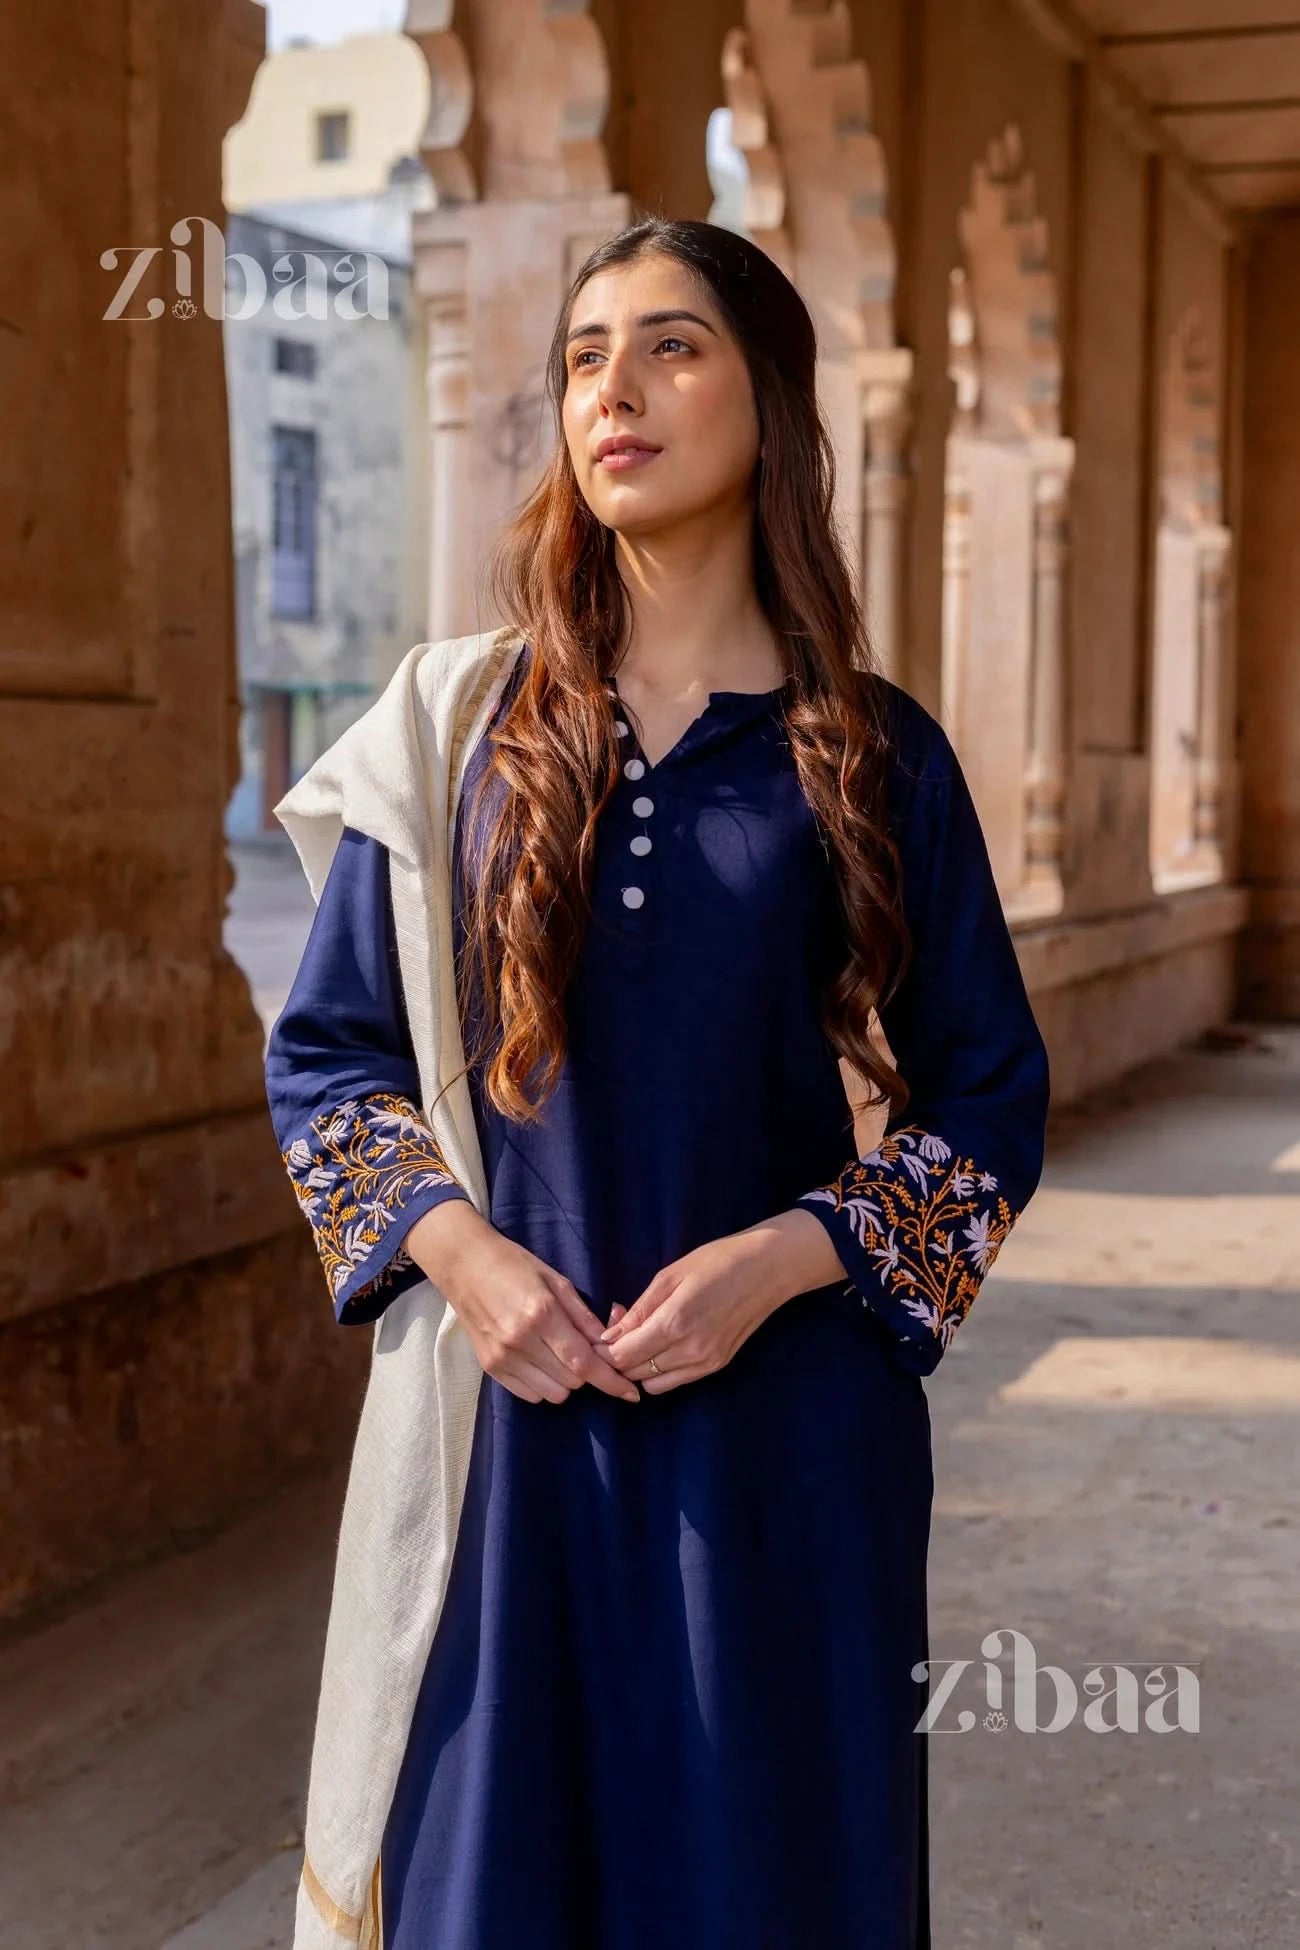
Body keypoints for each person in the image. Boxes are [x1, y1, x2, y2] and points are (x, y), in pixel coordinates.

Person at [265, 216, 1051, 1950]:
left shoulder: (874, 753)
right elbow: (329, 1061)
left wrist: (782, 1258)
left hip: (786, 1451)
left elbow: (988, 1099)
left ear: (770, 404)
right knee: (487, 1890)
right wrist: (470, 1264)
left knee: (765, 1891)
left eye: (672, 347)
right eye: (583, 358)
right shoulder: (463, 732)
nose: (613, 389)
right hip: (511, 1435)